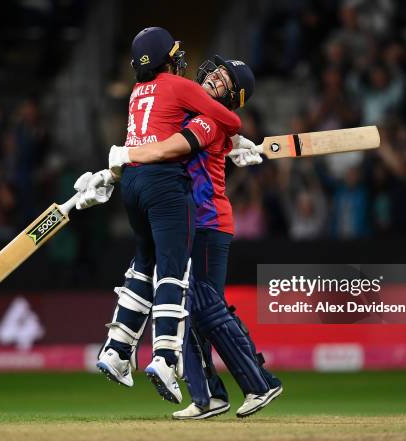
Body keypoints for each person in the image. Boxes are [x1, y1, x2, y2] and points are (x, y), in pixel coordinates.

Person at [82, 56, 282, 418]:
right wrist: (112, 172)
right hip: (189, 220)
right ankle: (208, 396)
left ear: (233, 97)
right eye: (216, 72)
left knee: (204, 303)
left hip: (208, 222)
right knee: (187, 306)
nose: (214, 79)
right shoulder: (192, 111)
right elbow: (156, 146)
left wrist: (119, 161)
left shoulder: (210, 119)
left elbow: (171, 148)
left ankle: (260, 382)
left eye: (224, 81)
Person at [74, 27, 241, 404]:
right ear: (167, 58)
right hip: (164, 185)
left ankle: (117, 350)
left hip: (131, 185)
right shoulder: (178, 86)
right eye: (175, 54)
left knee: (143, 263)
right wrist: (232, 141)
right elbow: (230, 120)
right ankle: (165, 357)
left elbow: (147, 137)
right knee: (174, 268)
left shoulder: (136, 92)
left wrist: (112, 171)